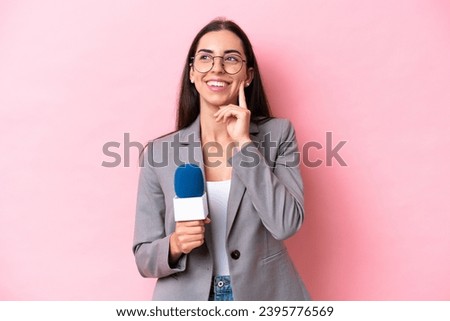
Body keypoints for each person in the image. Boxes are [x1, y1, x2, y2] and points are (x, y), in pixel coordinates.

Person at [133, 18, 310, 301]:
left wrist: (244, 144)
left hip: (264, 297)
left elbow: (286, 223)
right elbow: (143, 257)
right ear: (192, 73)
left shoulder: (278, 135)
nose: (217, 68)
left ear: (248, 75)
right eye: (205, 58)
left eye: (230, 59)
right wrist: (176, 244)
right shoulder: (159, 153)